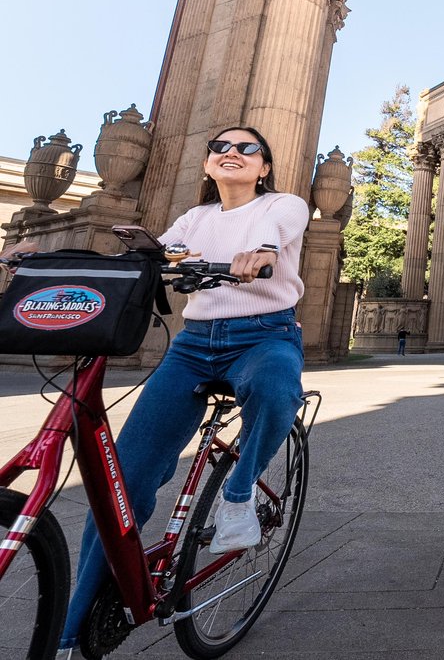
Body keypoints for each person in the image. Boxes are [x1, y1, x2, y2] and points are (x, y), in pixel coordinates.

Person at [58, 126, 311, 652]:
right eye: (221, 147)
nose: (232, 154)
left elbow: (282, 233)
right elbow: (158, 255)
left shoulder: (282, 206)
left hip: (264, 333)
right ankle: (71, 625)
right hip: (193, 344)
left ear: (264, 166)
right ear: (207, 165)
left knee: (276, 386)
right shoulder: (194, 219)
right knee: (121, 481)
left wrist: (260, 254)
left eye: (247, 148)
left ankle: (238, 496)